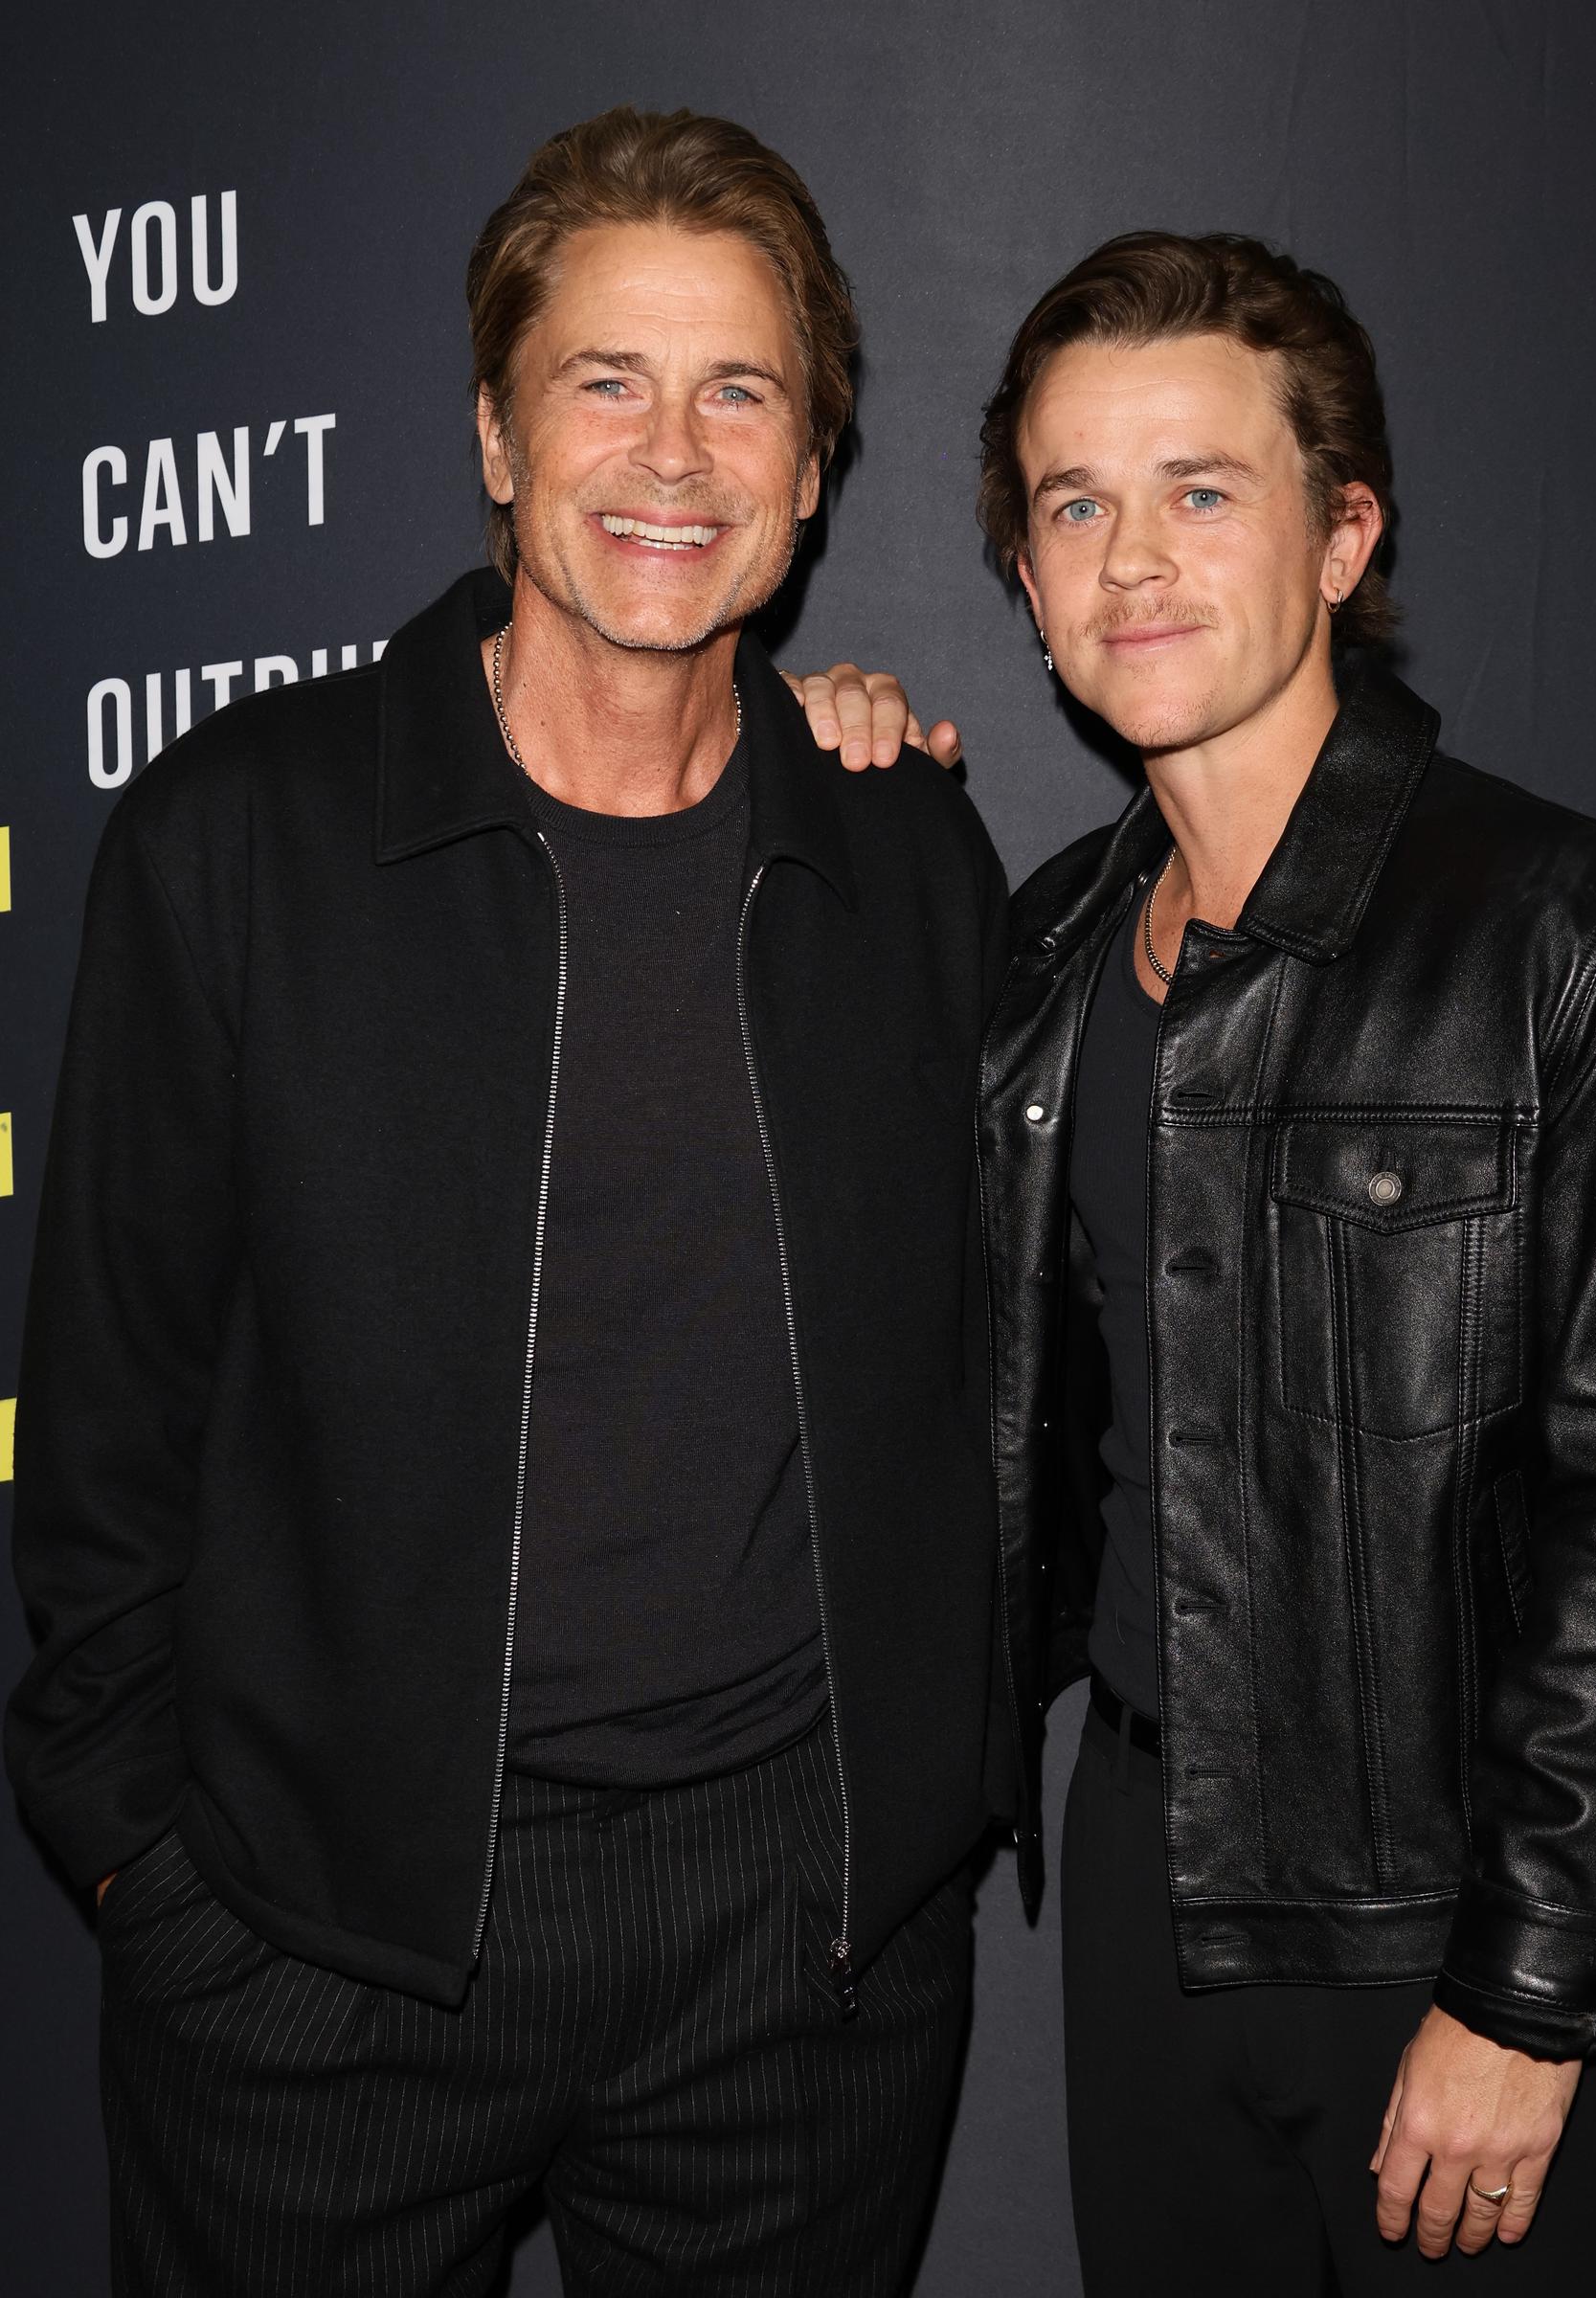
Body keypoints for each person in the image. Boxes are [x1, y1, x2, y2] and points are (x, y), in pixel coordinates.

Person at [7, 106, 1011, 2295]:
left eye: (739, 391)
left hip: (798, 1958)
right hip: (319, 1948)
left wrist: (921, 1818)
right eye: (603, 381)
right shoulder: (235, 840)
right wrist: (150, 1880)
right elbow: (104, 1422)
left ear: (812, 468)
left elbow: (1008, 1370)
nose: (673, 455)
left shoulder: (904, 856)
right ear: (492, 432)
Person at [970, 232, 1596, 2292]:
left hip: (1454, 1918)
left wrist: (1526, 1990)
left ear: (1341, 536)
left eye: (1200, 490)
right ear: (1027, 584)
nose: (1134, 560)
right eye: (1075, 506)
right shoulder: (1041, 950)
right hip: (1142, 1898)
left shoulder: (1564, 929)